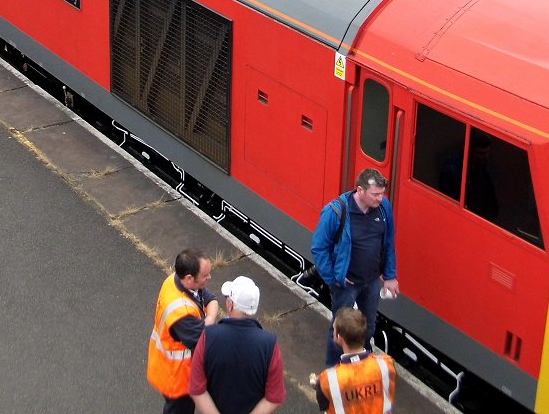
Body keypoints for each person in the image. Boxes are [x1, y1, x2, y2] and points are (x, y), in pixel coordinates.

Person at [310, 168, 398, 367]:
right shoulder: (336, 212)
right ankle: (334, 371)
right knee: (340, 329)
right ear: (360, 190)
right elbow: (319, 247)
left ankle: (361, 365)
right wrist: (333, 278)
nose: (380, 198)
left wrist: (390, 275)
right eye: (376, 194)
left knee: (368, 328)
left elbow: (389, 242)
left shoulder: (384, 208)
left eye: (382, 193)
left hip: (372, 281)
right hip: (347, 284)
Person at [188, 275, 286, 414]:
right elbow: (274, 397)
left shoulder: (208, 337)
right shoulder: (270, 345)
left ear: (231, 304)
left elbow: (197, 389)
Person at [147, 248, 221, 414]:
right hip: (178, 377)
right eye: (205, 275)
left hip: (174, 368)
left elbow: (212, 299)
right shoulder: (181, 313)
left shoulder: (175, 280)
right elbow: (207, 339)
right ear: (189, 278)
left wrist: (208, 320)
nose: (209, 278)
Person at [311, 307, 397, 414]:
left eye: (334, 329)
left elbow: (324, 405)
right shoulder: (386, 363)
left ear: (339, 338)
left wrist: (318, 385)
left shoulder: (328, 379)